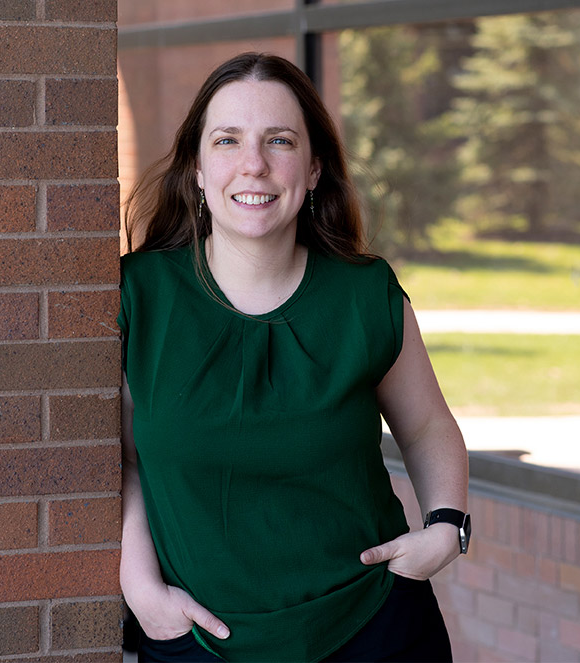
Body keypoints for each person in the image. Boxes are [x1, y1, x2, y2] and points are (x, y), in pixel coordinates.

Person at [118, 52, 469, 662]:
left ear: (312, 171)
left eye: (278, 141)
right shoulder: (138, 295)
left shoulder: (365, 295)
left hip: (372, 626)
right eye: (227, 140)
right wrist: (141, 588)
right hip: (200, 638)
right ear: (198, 169)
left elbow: (428, 424)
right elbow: (124, 459)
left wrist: (447, 527)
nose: (253, 164)